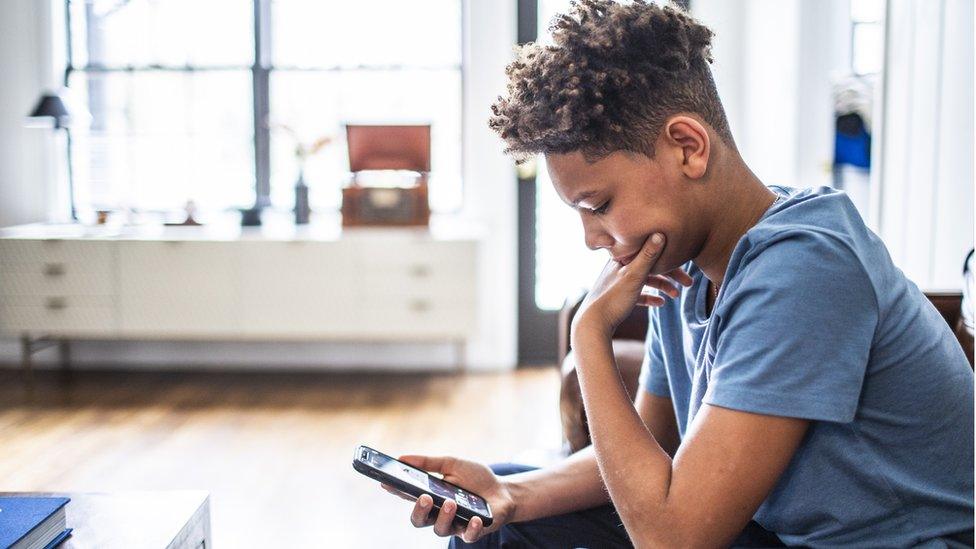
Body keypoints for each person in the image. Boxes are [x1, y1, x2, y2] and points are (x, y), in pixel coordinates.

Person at [384, 1, 975, 546]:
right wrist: (512, 493)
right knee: (501, 506)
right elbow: (656, 446)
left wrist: (590, 336)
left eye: (598, 206)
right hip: (771, 532)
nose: (592, 239)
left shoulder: (806, 267)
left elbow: (673, 539)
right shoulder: (683, 263)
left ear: (688, 147)